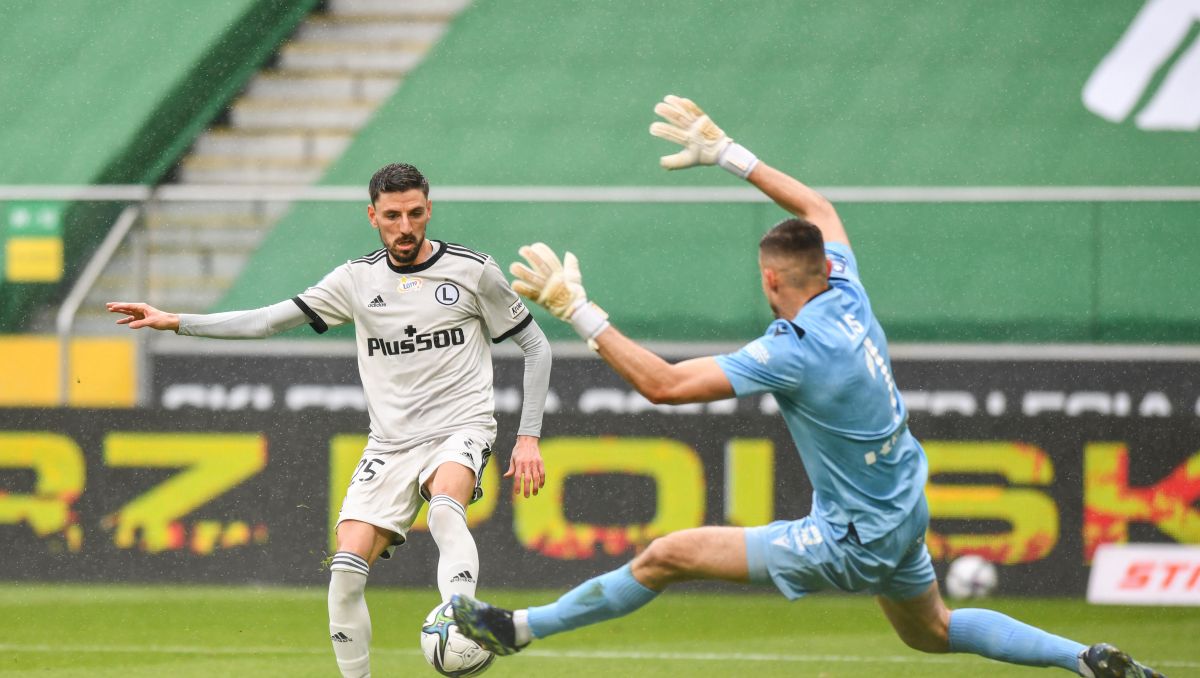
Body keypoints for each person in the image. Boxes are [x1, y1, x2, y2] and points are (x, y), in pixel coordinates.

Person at [449, 96, 1165, 678]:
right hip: (902, 506)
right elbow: (820, 211)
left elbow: (663, 386)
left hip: (852, 536)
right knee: (933, 632)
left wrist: (579, 311)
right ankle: (1084, 661)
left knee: (667, 555)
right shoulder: (846, 291)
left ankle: (515, 629)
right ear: (822, 270)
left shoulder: (794, 350)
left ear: (770, 281)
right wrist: (731, 154)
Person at [107, 162, 551, 678]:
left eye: (414, 213)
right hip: (389, 445)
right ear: (373, 216)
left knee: (446, 508)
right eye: (392, 216)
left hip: (461, 426)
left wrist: (528, 438)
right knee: (344, 572)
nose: (404, 227)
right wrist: (178, 321)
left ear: (429, 210)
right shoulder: (356, 280)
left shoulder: (472, 272)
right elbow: (270, 320)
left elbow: (536, 346)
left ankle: (461, 619)